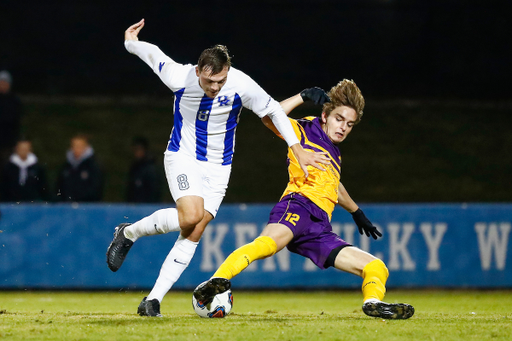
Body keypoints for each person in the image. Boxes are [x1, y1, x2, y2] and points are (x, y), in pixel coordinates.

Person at [106, 19, 330, 317]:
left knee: (194, 229)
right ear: (198, 71)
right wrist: (130, 43)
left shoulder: (239, 83)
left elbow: (273, 109)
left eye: (220, 81)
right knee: (191, 215)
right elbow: (153, 55)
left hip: (219, 168)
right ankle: (129, 232)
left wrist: (296, 147)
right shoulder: (180, 76)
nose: (215, 87)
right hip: (182, 156)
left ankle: (152, 300)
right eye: (209, 81)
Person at [193, 81, 415, 320]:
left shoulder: (334, 152)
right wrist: (302, 96)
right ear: (325, 115)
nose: (343, 128)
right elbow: (269, 117)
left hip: (320, 227)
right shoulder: (306, 128)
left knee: (376, 267)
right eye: (339, 119)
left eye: (349, 124)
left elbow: (334, 186)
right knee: (267, 245)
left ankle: (372, 303)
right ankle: (217, 280)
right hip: (298, 205)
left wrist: (356, 212)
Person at [55, 134, 103, 202]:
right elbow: (59, 187)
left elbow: (96, 189)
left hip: (87, 206)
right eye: (74, 146)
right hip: (66, 206)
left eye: (79, 146)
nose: (76, 149)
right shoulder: (66, 166)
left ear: (86, 147)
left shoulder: (94, 166)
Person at [126, 136, 161, 203]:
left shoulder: (151, 169)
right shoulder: (134, 168)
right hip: (134, 207)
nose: (137, 152)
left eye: (139, 149)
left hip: (148, 208)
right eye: (135, 149)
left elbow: (154, 192)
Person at [0, 70, 23, 167]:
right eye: (1, 82)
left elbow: (16, 122)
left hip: (8, 142)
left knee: (7, 167)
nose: (3, 85)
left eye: (5, 82)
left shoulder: (14, 101)